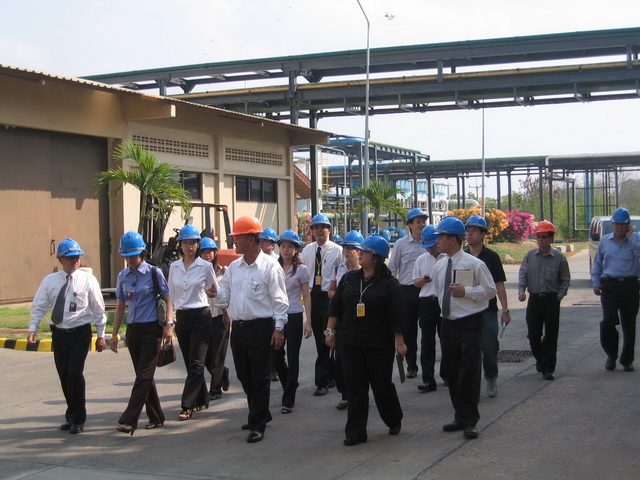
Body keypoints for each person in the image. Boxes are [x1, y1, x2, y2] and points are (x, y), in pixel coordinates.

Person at [213, 216, 289, 443]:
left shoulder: (270, 266)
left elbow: (279, 300)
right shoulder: (234, 267)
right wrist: (215, 293)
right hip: (239, 328)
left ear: (251, 239)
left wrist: (279, 328)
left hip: (261, 327)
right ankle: (261, 411)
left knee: (260, 376)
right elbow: (225, 294)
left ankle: (257, 423)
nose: (234, 241)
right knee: (244, 375)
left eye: (238, 237)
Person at [326, 235, 406, 446]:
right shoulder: (349, 278)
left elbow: (396, 316)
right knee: (355, 388)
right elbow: (336, 306)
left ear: (377, 258)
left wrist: (399, 342)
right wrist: (330, 331)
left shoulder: (390, 285)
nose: (360, 254)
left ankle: (393, 418)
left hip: (378, 344)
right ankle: (355, 432)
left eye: (365, 252)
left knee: (381, 385)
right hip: (350, 342)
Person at [28, 238, 106, 434]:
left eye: (77, 256)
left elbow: (98, 308)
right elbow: (39, 306)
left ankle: (79, 418)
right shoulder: (50, 281)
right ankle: (71, 413)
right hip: (60, 334)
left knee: (74, 373)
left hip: (80, 332)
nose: (75, 260)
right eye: (71, 257)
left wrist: (101, 334)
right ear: (61, 259)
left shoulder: (88, 280)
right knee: (64, 375)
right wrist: (32, 328)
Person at [432, 217, 496, 440]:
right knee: (452, 371)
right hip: (448, 323)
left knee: (469, 372)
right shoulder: (440, 265)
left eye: (441, 237)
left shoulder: (475, 264)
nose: (437, 241)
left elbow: (490, 291)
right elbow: (439, 292)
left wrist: (466, 292)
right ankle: (459, 416)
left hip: (470, 322)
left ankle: (470, 421)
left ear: (452, 240)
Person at [110, 231, 174, 435]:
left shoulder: (154, 273)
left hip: (152, 330)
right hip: (133, 331)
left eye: (133, 255)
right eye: (126, 256)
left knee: (144, 375)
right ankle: (156, 416)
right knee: (143, 376)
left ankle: (129, 420)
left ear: (141, 253)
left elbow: (168, 300)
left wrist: (169, 325)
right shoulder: (123, 276)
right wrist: (114, 334)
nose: (129, 259)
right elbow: (120, 306)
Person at [168, 224, 218, 421]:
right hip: (182, 318)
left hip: (201, 317)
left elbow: (215, 290)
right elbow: (171, 295)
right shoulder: (174, 267)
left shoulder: (205, 266)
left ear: (198, 245)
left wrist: (216, 298)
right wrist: (170, 322)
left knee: (197, 362)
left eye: (193, 243)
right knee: (190, 363)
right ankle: (202, 397)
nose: (189, 247)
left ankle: (187, 404)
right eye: (186, 243)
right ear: (180, 245)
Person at [464, 215, 511, 397]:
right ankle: (471, 385)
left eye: (473, 231)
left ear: (483, 234)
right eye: (467, 231)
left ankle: (491, 378)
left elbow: (499, 284)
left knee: (490, 348)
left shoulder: (491, 257)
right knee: (469, 351)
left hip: (488, 311)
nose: (469, 234)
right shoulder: (462, 257)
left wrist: (505, 310)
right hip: (467, 311)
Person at [518, 221, 571, 381]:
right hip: (535, 299)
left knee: (551, 335)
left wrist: (559, 296)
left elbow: (565, 279)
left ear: (551, 238)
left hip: (551, 300)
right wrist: (521, 290)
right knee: (533, 335)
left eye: (544, 237)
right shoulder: (530, 256)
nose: (540, 240)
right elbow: (523, 274)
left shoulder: (559, 258)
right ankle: (540, 358)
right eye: (538, 237)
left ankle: (548, 368)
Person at [591, 207, 640, 372]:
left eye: (623, 224)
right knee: (608, 321)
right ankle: (611, 355)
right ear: (612, 224)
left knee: (628, 324)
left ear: (628, 225)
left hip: (630, 285)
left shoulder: (635, 239)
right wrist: (596, 282)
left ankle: (627, 360)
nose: (619, 227)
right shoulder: (605, 241)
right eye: (616, 224)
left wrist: (631, 237)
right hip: (610, 286)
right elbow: (597, 263)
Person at [300, 213, 343, 396]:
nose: (319, 231)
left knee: (329, 335)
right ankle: (331, 373)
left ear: (329, 230)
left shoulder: (337, 251)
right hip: (313, 296)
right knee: (320, 338)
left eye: (322, 227)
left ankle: (322, 381)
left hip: (330, 295)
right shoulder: (307, 250)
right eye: (315, 228)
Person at [274, 230, 312, 413]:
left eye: (290, 247)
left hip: (294, 315)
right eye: (283, 246)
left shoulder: (301, 270)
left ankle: (288, 399)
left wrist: (308, 321)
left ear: (296, 250)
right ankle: (289, 383)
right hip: (276, 317)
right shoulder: (273, 267)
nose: (286, 250)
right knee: (275, 355)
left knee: (293, 356)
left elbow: (307, 295)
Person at [388, 208, 428, 378]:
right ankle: (412, 365)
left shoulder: (430, 243)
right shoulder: (401, 244)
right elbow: (392, 268)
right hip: (407, 290)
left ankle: (428, 368)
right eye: (418, 222)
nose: (422, 225)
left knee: (427, 330)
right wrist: (394, 291)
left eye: (423, 221)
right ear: (410, 225)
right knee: (409, 330)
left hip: (427, 290)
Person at [328, 230, 364, 410]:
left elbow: (364, 289)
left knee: (358, 360)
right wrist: (341, 296)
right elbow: (331, 291)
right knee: (340, 359)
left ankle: (358, 393)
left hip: (360, 318)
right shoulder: (338, 268)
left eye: (353, 248)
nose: (349, 252)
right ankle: (345, 394)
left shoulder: (364, 269)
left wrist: (356, 265)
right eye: (346, 248)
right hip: (342, 315)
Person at [412, 224, 444, 393]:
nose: (430, 250)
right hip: (426, 301)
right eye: (427, 247)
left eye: (432, 246)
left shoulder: (447, 258)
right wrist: (422, 281)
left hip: (443, 302)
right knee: (427, 342)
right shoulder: (421, 259)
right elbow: (415, 282)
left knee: (446, 340)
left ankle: (447, 374)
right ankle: (428, 379)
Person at [200, 236, 231, 401]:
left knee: (218, 355)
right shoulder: (197, 272)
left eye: (210, 251)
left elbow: (228, 294)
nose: (207, 255)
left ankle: (215, 389)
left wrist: (227, 314)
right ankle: (221, 373)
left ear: (215, 253)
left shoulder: (224, 272)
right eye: (204, 252)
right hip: (204, 317)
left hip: (220, 317)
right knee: (205, 356)